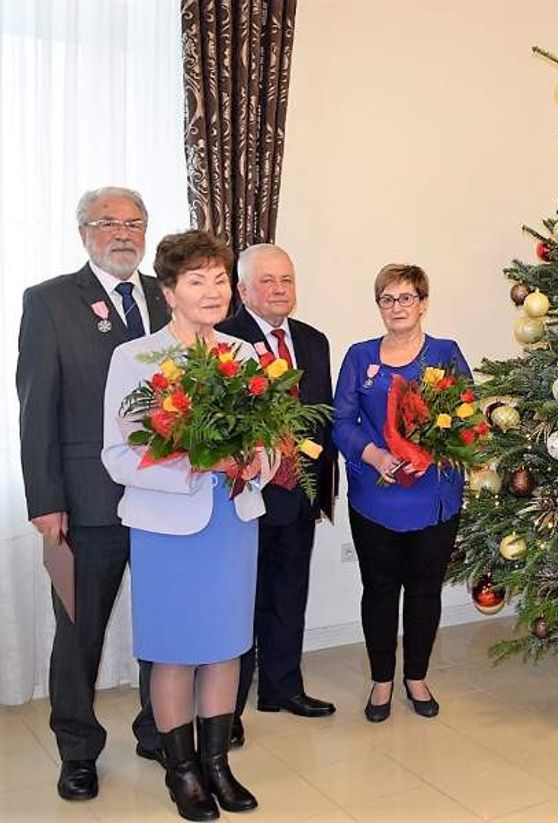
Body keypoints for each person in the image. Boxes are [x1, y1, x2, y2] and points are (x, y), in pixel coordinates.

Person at [102, 230, 269, 821]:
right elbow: (119, 455)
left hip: (232, 519)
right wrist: (198, 465)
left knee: (225, 647)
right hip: (167, 526)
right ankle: (182, 772)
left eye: (220, 278)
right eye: (197, 280)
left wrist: (256, 461)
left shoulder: (244, 355)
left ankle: (218, 764)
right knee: (174, 651)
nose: (214, 290)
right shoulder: (137, 359)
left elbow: (267, 437)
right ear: (168, 291)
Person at [15, 186, 167, 801]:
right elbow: (35, 410)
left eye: (134, 222)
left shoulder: (166, 295)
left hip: (165, 499)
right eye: (109, 223)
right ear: (84, 232)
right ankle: (77, 750)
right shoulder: (49, 301)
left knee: (163, 625)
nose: (123, 233)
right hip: (84, 501)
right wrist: (45, 500)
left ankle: (160, 728)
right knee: (79, 632)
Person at [332, 264, 471, 723]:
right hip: (376, 495)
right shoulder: (359, 357)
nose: (397, 307)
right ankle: (381, 680)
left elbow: (465, 418)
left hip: (433, 497)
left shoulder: (445, 354)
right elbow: (341, 423)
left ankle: (416, 676)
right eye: (387, 299)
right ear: (379, 306)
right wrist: (373, 455)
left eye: (406, 298)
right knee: (379, 590)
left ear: (423, 303)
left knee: (424, 591)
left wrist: (428, 454)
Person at [221, 244, 338, 746]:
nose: (279, 289)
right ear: (242, 289)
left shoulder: (313, 341)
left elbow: (324, 417)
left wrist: (322, 487)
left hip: (299, 494)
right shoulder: (222, 341)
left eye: (286, 279)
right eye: (266, 281)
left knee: (289, 595)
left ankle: (282, 687)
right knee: (240, 602)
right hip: (245, 496)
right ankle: (226, 707)